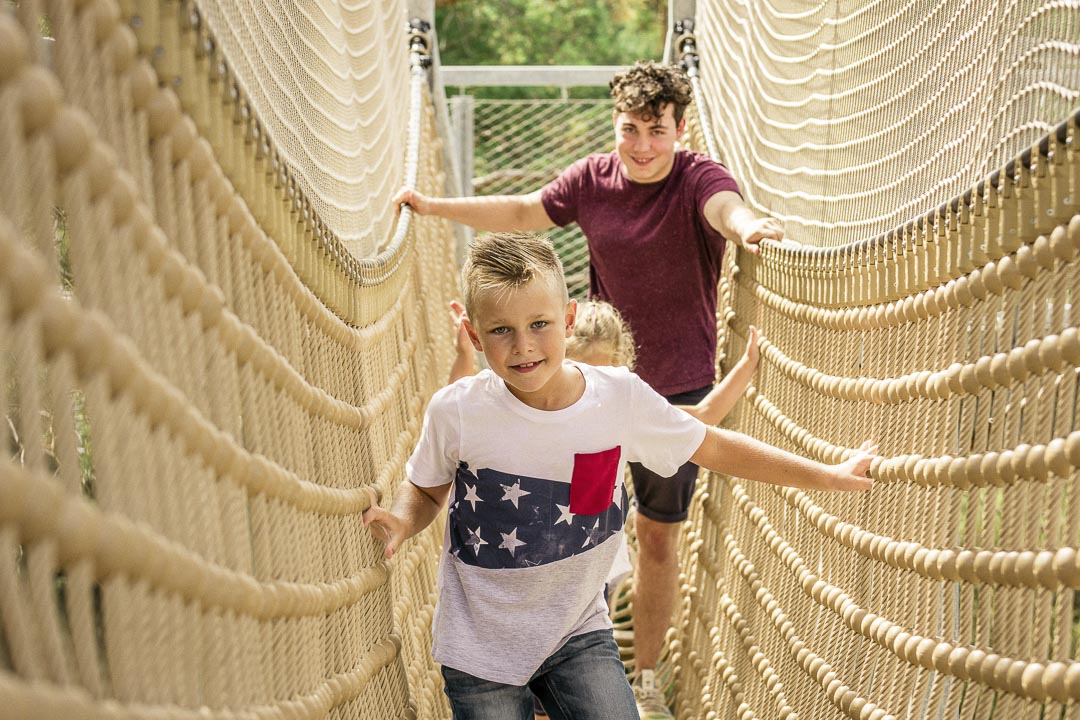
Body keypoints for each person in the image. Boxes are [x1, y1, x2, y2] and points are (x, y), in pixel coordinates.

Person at [395, 60, 784, 718]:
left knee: (658, 538)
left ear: (679, 130)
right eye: (628, 129)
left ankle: (650, 675)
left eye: (655, 131)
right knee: (574, 529)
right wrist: (433, 208)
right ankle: (565, 662)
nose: (639, 145)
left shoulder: (698, 178)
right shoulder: (594, 181)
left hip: (677, 386)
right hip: (592, 397)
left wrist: (748, 228)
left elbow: (727, 209)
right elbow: (523, 210)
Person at [363, 232, 875, 720]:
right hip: (481, 647)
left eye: (539, 324)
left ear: (568, 320)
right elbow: (427, 490)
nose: (523, 346)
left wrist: (827, 475)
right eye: (501, 330)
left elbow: (712, 445)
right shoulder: (458, 410)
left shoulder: (618, 397)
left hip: (577, 632)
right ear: (475, 335)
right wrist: (404, 521)